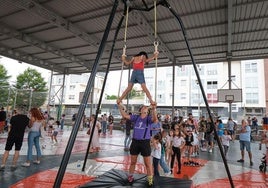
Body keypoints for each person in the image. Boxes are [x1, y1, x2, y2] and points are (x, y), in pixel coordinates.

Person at [118, 103, 158, 186]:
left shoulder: (148, 118)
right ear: (140, 110)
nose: (145, 107)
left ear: (147, 111)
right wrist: (119, 106)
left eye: (146, 107)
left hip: (145, 142)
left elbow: (155, 120)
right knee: (133, 162)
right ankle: (130, 176)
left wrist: (154, 109)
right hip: (135, 142)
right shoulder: (136, 117)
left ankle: (150, 179)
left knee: (147, 163)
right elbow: (125, 115)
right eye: (143, 107)